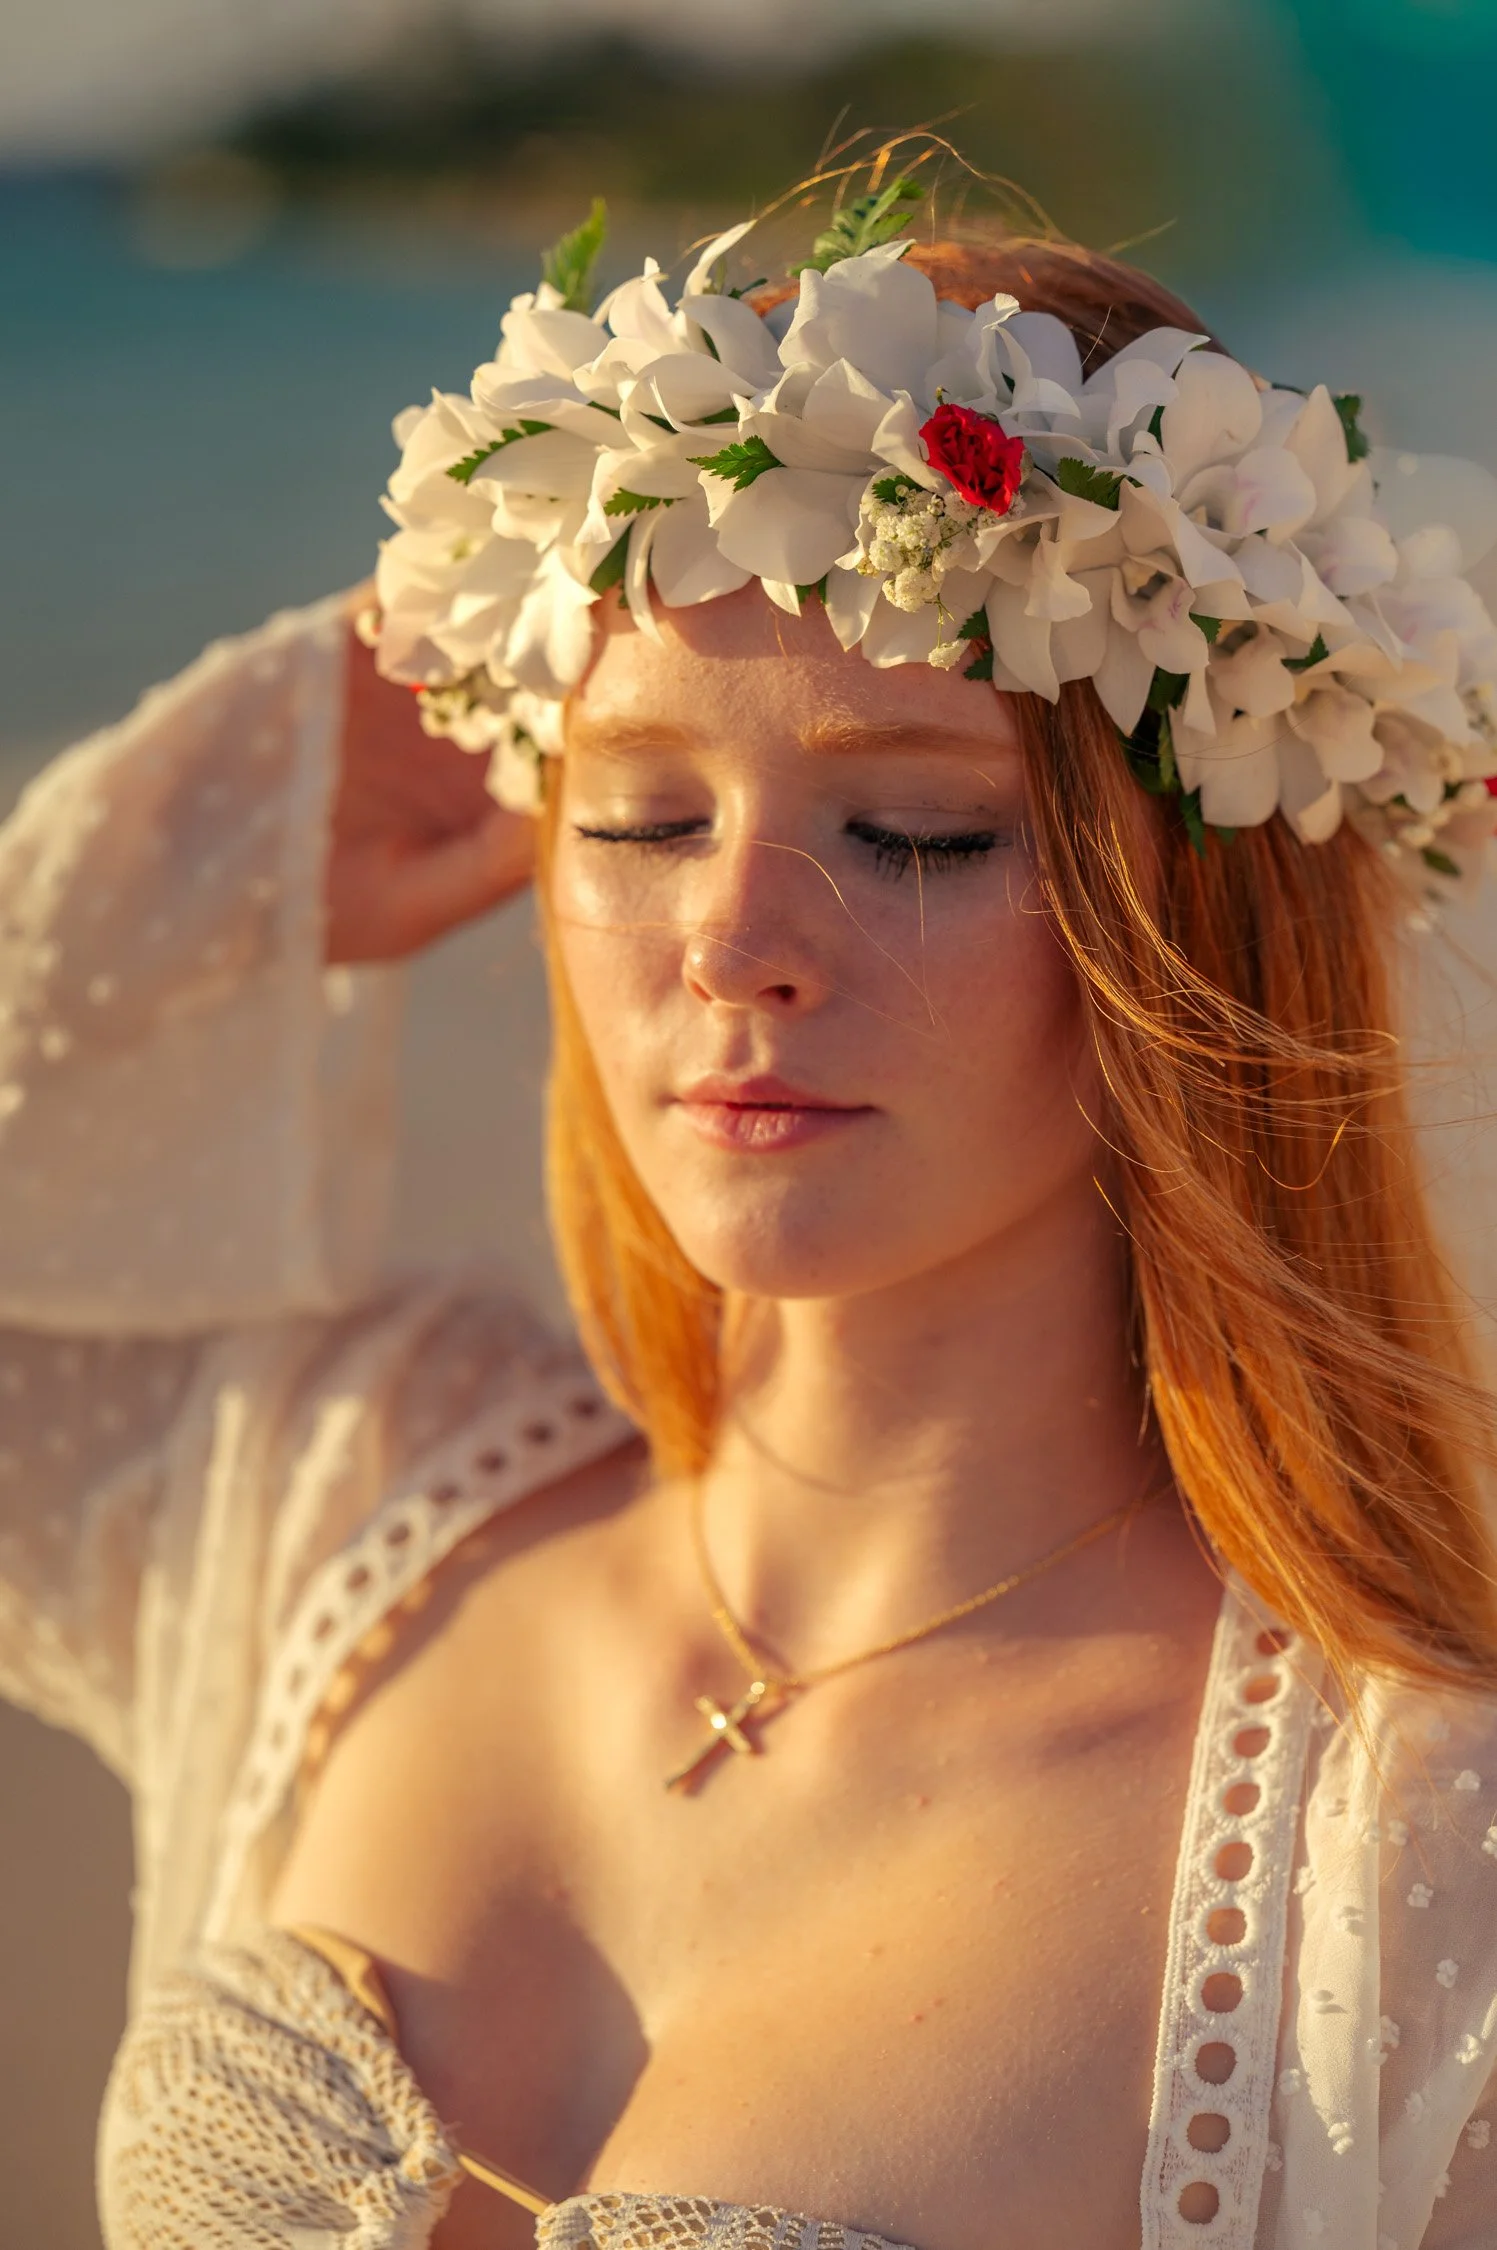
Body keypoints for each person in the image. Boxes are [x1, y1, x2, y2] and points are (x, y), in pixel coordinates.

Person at [3, 158, 1497, 2250]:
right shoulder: (346, 1492)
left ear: (1200, 926)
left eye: (904, 829)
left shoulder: (1405, 1893)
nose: (726, 942)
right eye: (636, 814)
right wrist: (230, 828)